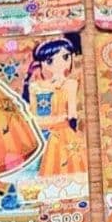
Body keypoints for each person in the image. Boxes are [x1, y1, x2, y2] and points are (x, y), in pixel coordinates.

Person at [22, 38, 86, 176]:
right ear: (42, 63)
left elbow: (72, 115)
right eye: (50, 60)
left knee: (66, 168)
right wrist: (57, 119)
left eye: (65, 57)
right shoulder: (36, 86)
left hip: (62, 134)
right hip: (45, 133)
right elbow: (34, 117)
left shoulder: (70, 84)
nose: (60, 64)